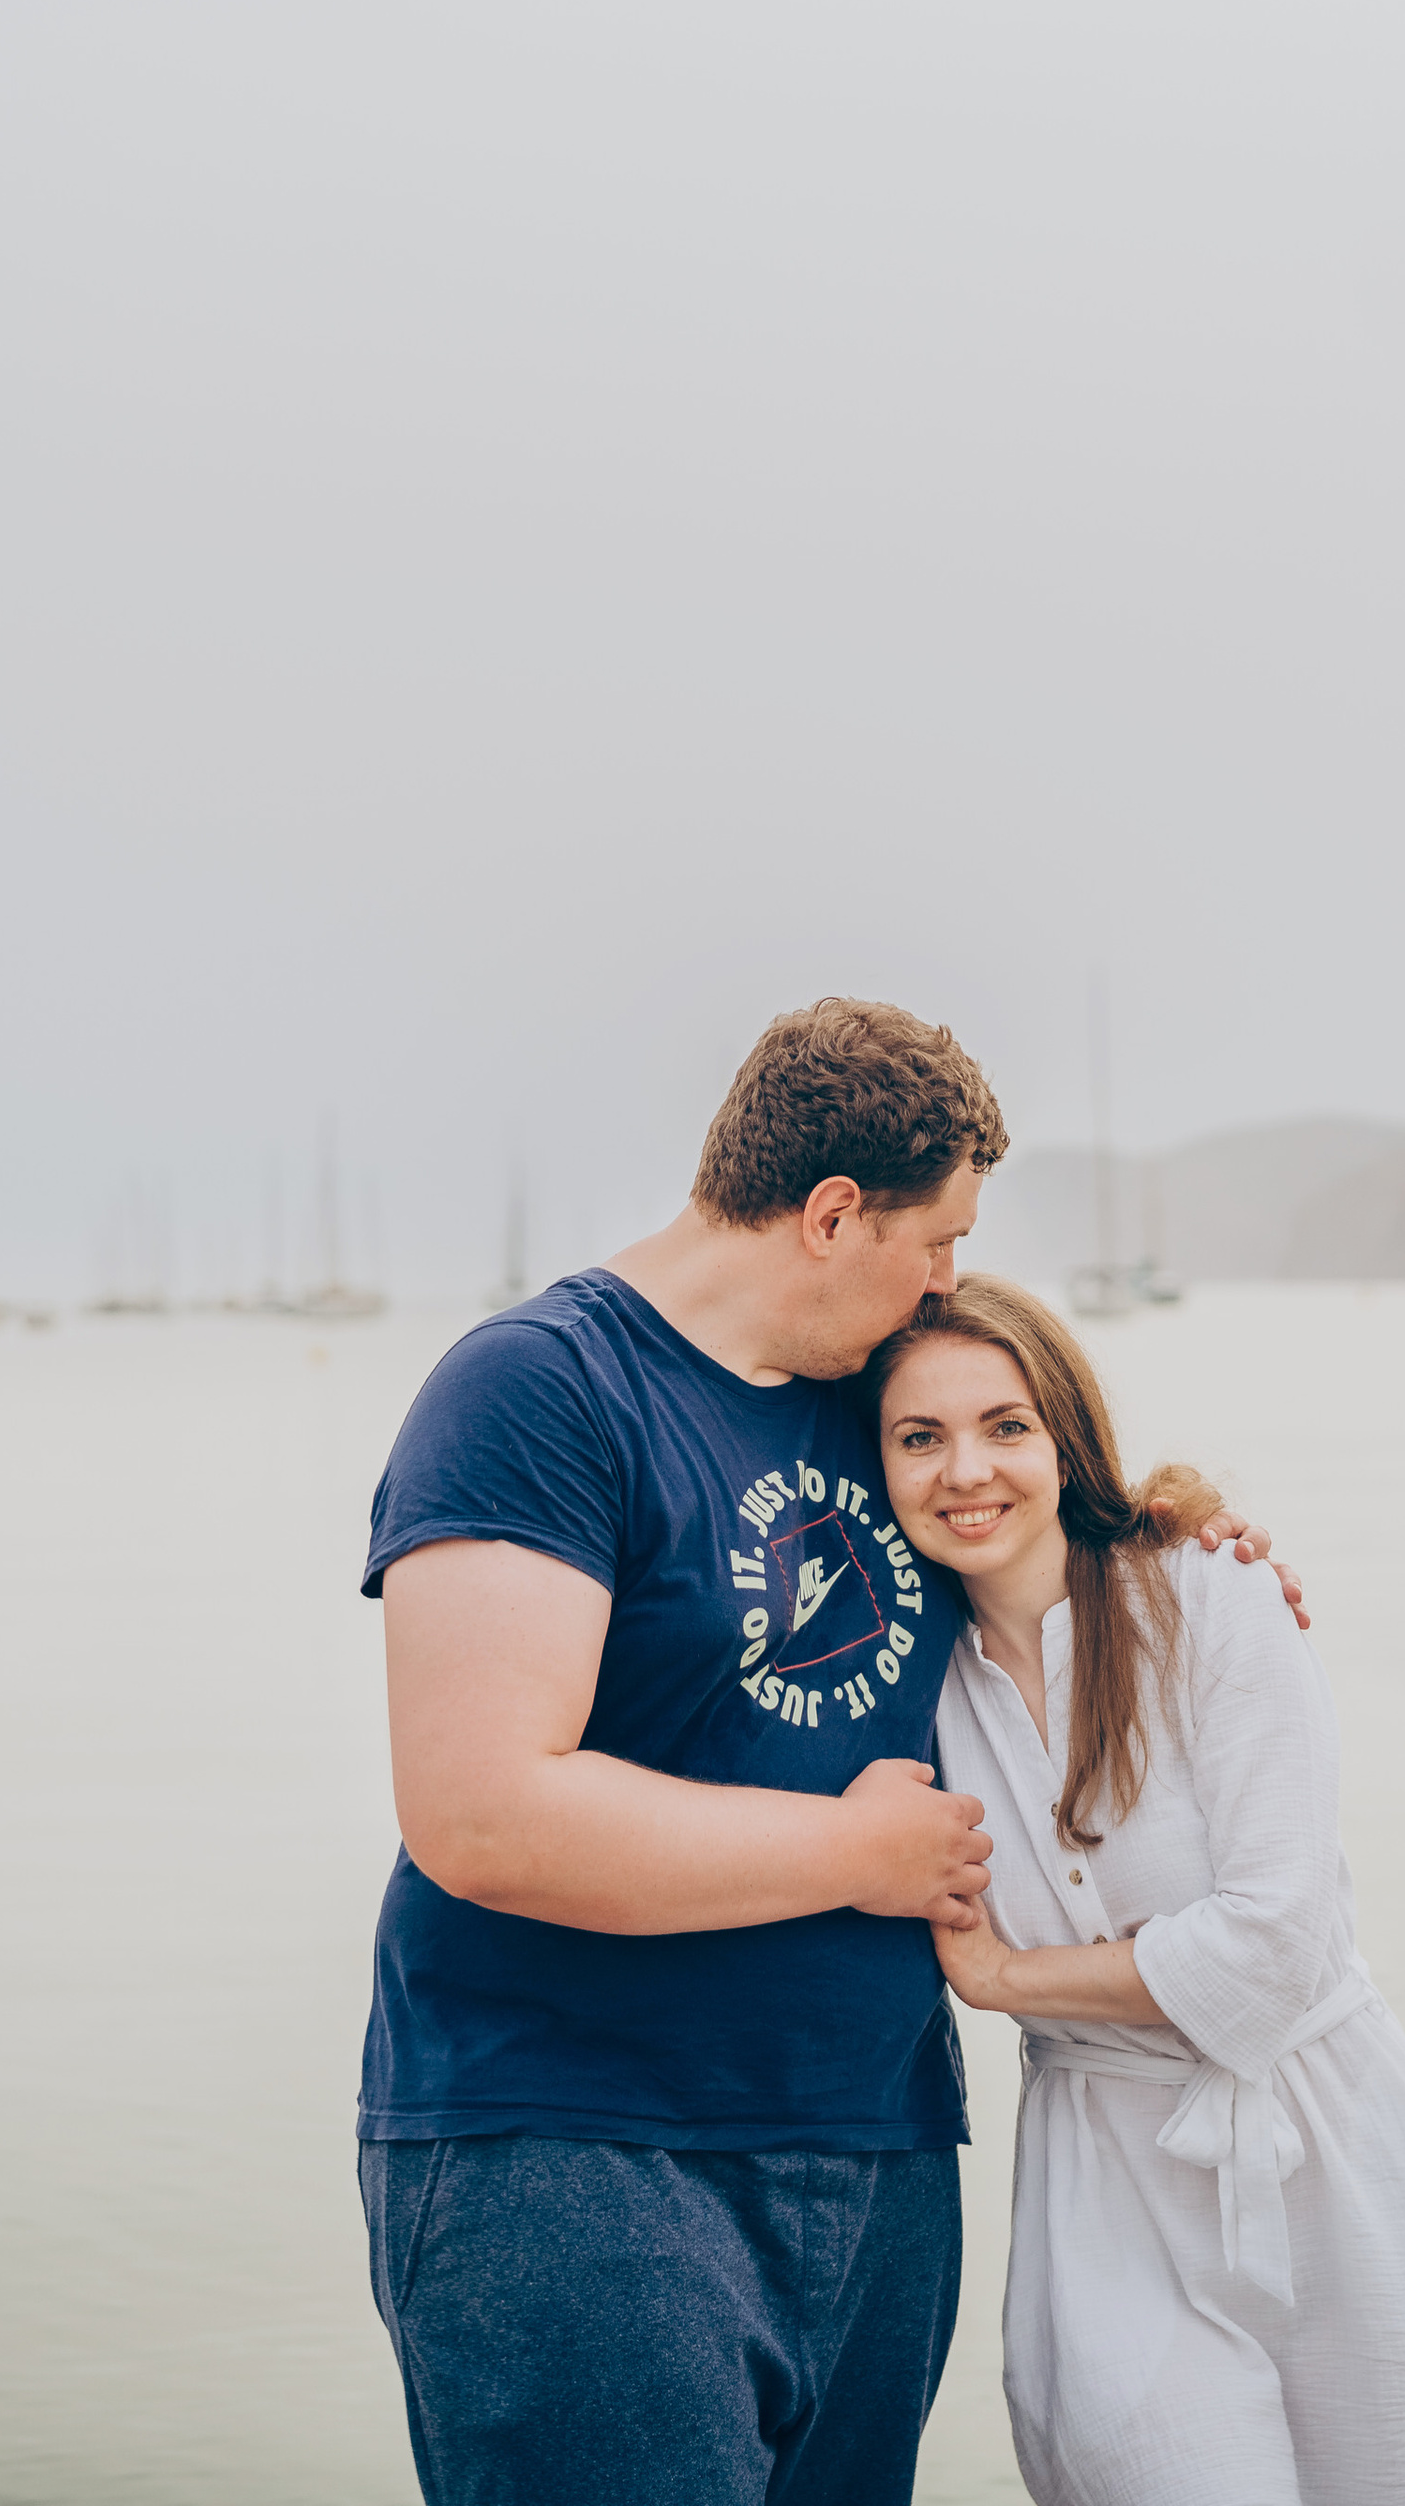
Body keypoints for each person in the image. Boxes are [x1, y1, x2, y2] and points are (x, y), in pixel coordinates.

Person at [359, 1000, 1303, 2506]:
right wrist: (855, 1856)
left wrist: (1187, 1548)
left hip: (875, 2152)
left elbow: (1031, 1528)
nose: (949, 1281)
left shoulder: (876, 1401)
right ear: (833, 1213)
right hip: (581, 2155)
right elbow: (481, 1814)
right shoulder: (541, 1390)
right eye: (936, 1243)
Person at [869, 1271, 1405, 2506]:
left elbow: (1277, 1947)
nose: (965, 1469)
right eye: (920, 1438)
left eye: (1004, 1426)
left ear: (1064, 1436)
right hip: (1107, 2191)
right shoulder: (905, 1691)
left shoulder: (1208, 1594)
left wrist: (1003, 1978)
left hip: (1335, 2148)